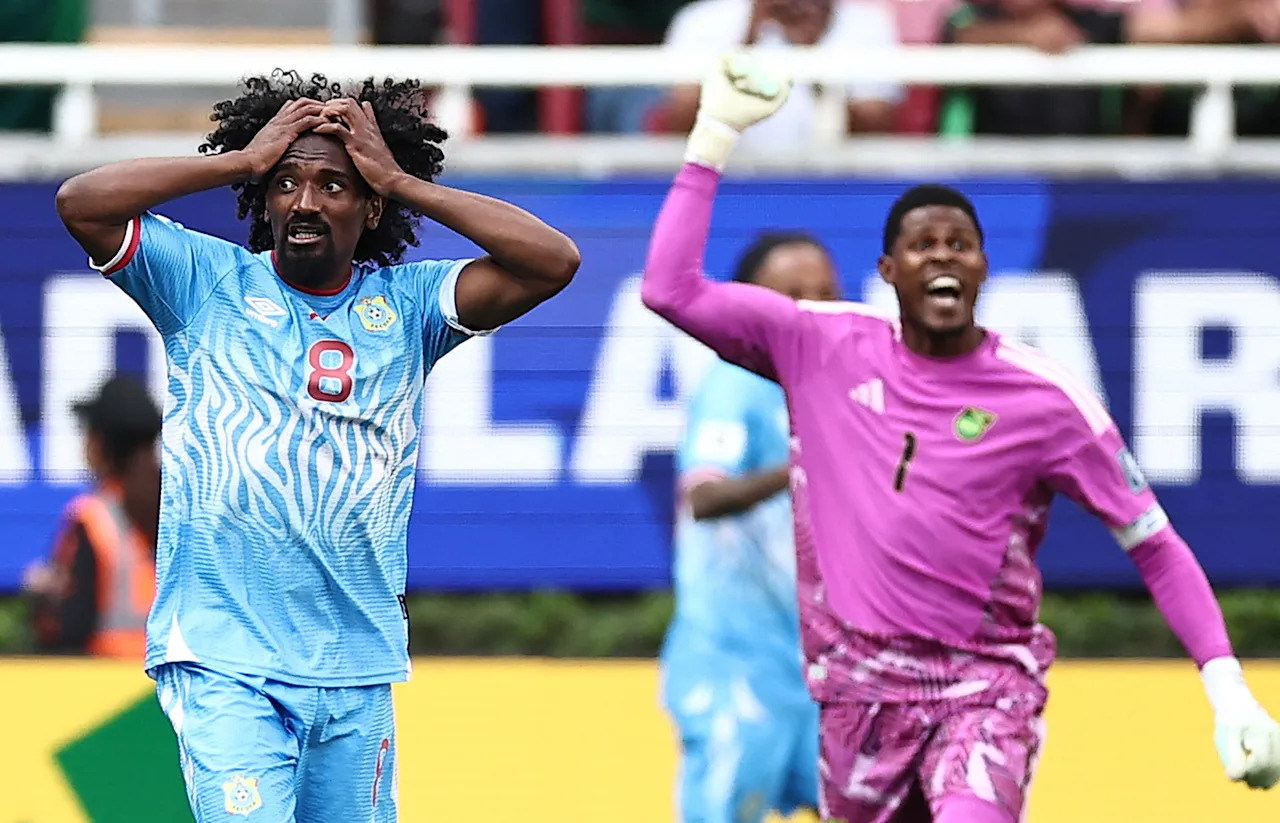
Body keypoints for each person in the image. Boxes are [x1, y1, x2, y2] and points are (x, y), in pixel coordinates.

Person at [641, 53, 1280, 822]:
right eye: (922, 244)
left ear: (982, 269)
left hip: (984, 690)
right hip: (854, 697)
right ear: (887, 270)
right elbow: (668, 289)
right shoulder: (819, 344)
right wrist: (713, 136)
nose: (943, 255)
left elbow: (1153, 542)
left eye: (960, 244)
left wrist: (1228, 689)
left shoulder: (1046, 397)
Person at [54, 71, 580, 822]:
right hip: (224, 660)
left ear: (370, 209)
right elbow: (81, 203)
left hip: (354, 668)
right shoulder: (204, 282)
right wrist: (239, 160)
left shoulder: (409, 308)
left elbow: (552, 260)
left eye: (334, 185)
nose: (304, 201)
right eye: (286, 182)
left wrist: (400, 179)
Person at [662, 231, 839, 823]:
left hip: (825, 665)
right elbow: (705, 496)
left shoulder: (842, 387)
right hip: (735, 665)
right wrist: (804, 464)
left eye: (824, 292)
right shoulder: (735, 381)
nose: (811, 307)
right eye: (792, 294)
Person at [24, 375, 161, 658]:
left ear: (100, 442)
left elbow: (68, 629)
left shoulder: (93, 517)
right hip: (174, 680)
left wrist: (44, 599)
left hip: (107, 685)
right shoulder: (182, 511)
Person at [659, 0, 903, 143]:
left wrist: (811, 56)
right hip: (729, 179)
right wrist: (748, 40)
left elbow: (875, 129)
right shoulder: (703, 20)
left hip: (833, 183)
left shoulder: (868, 24)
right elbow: (681, 123)